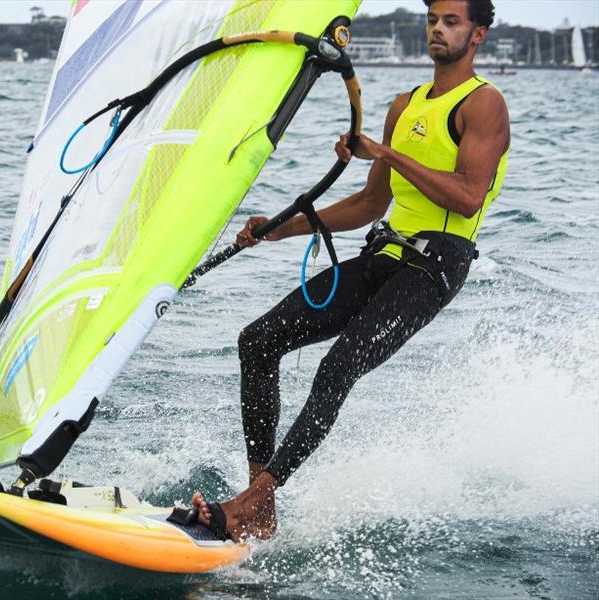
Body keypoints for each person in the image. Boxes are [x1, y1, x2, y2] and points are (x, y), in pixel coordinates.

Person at [189, 0, 510, 542]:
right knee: (258, 340)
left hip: (434, 266)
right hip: (383, 253)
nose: (437, 29)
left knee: (338, 367)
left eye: (451, 21)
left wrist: (385, 151)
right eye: (432, 19)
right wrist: (284, 226)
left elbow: (468, 196)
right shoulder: (404, 105)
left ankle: (250, 502)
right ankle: (258, 504)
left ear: (476, 34)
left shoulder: (484, 105)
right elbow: (369, 204)